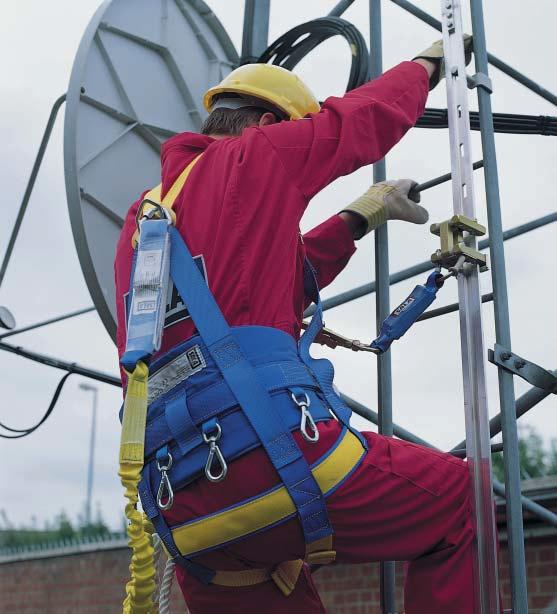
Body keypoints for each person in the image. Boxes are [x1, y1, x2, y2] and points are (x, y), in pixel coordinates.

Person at [115, 37, 478, 614]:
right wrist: (428, 66)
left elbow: (264, 281)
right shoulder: (257, 153)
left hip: (182, 507)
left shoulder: (146, 222)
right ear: (264, 122)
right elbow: (357, 122)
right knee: (464, 500)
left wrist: (360, 216)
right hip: (270, 456)